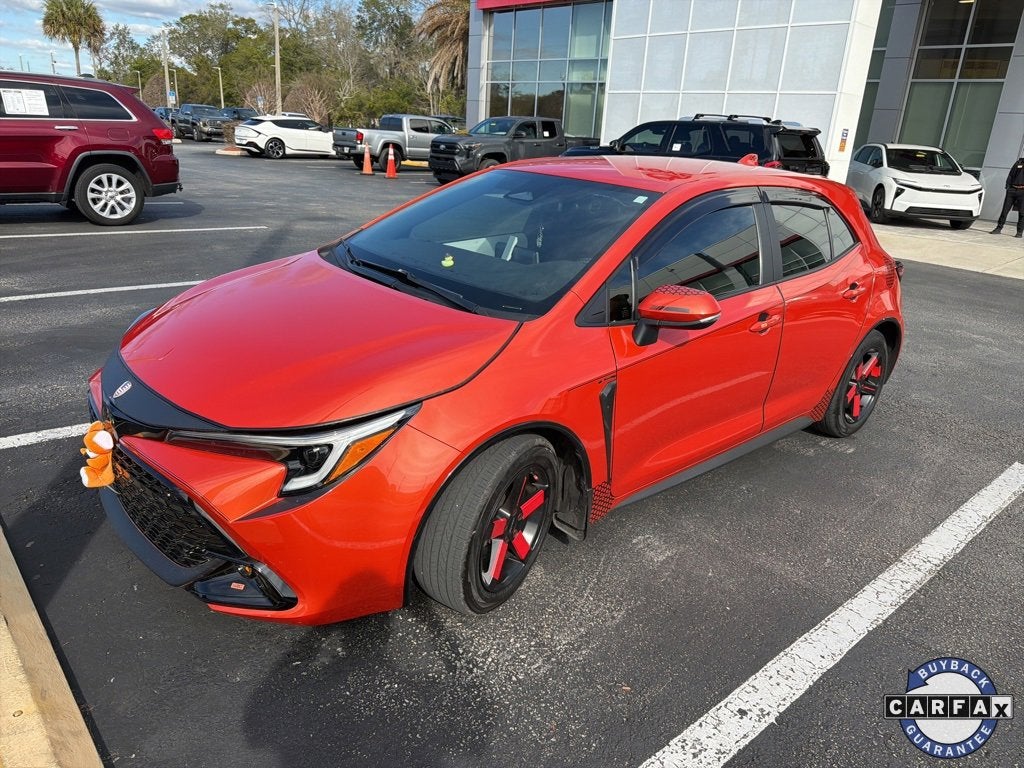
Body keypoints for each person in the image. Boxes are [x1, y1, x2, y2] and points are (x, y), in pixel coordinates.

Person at [990, 155, 1024, 237]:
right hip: (1012, 190)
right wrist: (1008, 187)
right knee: (1005, 210)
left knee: (1022, 213)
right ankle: (998, 228)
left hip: (1023, 191)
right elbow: (1011, 175)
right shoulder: (1019, 162)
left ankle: (1019, 232)